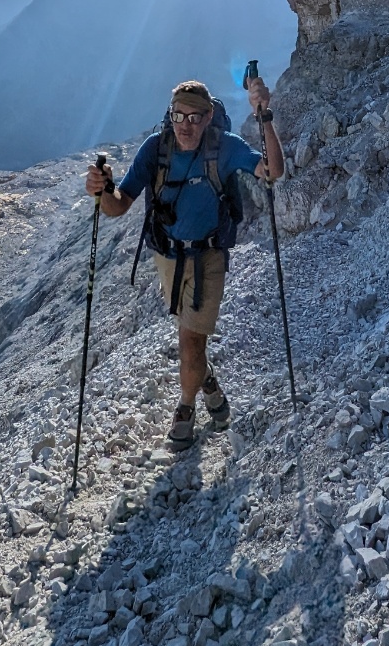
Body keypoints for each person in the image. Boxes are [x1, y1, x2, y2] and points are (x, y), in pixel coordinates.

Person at [85, 76, 284, 452]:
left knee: (190, 341)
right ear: (170, 115)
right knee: (189, 336)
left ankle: (186, 408)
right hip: (168, 256)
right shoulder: (154, 149)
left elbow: (273, 172)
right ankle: (209, 387)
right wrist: (101, 190)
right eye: (179, 116)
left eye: (195, 117)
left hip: (208, 257)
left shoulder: (225, 148)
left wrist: (265, 117)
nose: (185, 125)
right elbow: (119, 205)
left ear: (209, 118)